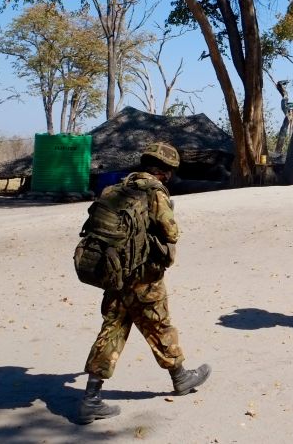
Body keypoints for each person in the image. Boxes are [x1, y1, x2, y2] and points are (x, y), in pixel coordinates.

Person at [77, 142, 211, 424]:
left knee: (112, 329)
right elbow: (171, 233)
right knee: (159, 324)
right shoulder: (155, 192)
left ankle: (91, 398)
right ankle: (181, 377)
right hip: (144, 277)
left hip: (115, 275)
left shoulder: (115, 189)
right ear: (167, 172)